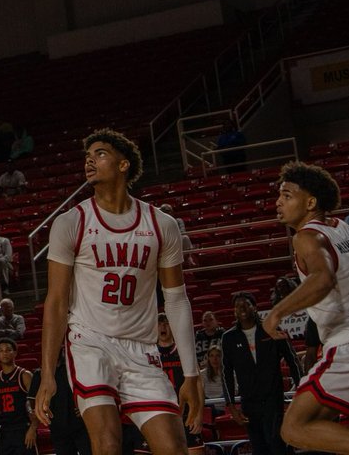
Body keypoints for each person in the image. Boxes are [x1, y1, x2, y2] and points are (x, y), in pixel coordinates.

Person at [35, 129, 203, 455]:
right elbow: (55, 302)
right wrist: (47, 374)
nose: (89, 161)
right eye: (87, 156)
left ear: (124, 164)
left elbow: (176, 299)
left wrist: (191, 374)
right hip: (90, 341)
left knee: (174, 447)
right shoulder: (71, 222)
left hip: (142, 347)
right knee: (108, 444)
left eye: (99, 154)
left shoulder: (161, 225)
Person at [262, 162, 349, 454]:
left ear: (311, 202)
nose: (278, 202)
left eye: (287, 195)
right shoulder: (342, 227)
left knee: (294, 428)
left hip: (348, 345)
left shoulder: (306, 236)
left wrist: (276, 312)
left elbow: (322, 277)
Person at [221, 291, 299, 455]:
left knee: (276, 444)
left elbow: (292, 360)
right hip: (249, 403)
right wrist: (231, 406)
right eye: (237, 306)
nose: (242, 308)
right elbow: (226, 373)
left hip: (273, 399)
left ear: (255, 307)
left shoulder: (271, 329)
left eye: (246, 304)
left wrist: (301, 389)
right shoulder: (228, 338)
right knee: (259, 448)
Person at [152, 314, 204, 455]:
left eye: (166, 323)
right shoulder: (150, 354)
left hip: (187, 413)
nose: (163, 327)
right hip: (161, 414)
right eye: (159, 324)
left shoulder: (184, 352)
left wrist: (199, 414)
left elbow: (198, 384)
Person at [0, 340, 36, 455]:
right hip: (5, 431)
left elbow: (35, 406)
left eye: (8, 350)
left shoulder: (24, 375)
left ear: (15, 353)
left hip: (24, 429)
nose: (4, 353)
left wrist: (33, 429)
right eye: (1, 351)